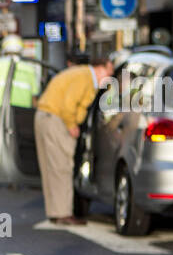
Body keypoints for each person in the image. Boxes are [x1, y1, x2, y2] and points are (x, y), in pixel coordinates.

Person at [33, 49, 116, 225]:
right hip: (57, 119)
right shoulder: (85, 77)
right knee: (62, 166)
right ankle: (63, 213)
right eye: (110, 72)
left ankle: (55, 211)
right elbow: (69, 104)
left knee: (51, 168)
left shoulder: (81, 74)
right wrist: (72, 125)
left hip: (46, 115)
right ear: (100, 68)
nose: (110, 77)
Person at [0, 34, 39, 186]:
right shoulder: (29, 67)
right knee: (18, 144)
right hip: (22, 112)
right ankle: (17, 178)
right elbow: (34, 97)